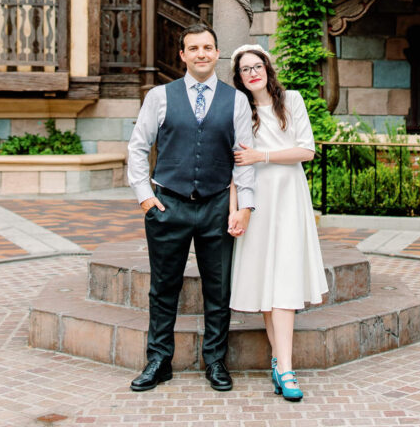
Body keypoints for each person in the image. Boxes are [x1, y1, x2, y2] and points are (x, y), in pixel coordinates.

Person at [126, 24, 255, 393]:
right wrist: (145, 198)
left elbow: (243, 159)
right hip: (168, 205)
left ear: (217, 54)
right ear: (182, 54)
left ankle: (215, 361)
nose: (201, 53)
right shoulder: (160, 96)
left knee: (218, 288)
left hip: (217, 204)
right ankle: (158, 360)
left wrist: (244, 206)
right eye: (194, 48)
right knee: (163, 287)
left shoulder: (236, 101)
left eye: (208, 47)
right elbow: (138, 147)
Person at [228, 43, 327, 402]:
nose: (252, 73)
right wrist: (234, 209)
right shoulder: (241, 109)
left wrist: (263, 155)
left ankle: (285, 368)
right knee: (269, 283)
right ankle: (279, 364)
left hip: (289, 196)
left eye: (257, 66)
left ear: (268, 69)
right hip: (257, 200)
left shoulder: (293, 101)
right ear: (239, 78)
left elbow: (307, 150)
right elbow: (236, 165)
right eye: (245, 70)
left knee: (284, 276)